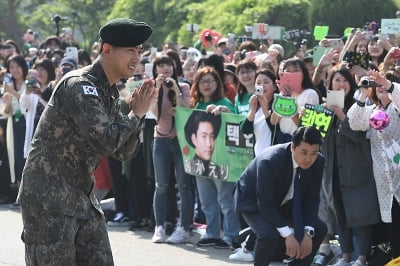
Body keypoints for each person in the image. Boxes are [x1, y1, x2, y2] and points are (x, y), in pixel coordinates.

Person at [17, 18, 156, 265]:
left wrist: (137, 114)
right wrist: (135, 115)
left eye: (139, 51)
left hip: (81, 195)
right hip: (49, 198)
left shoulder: (108, 91)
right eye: (130, 50)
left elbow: (123, 152)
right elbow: (107, 142)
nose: (136, 58)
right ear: (107, 50)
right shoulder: (81, 86)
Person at [234, 126, 327, 266]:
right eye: (304, 152)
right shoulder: (270, 160)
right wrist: (288, 235)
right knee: (269, 235)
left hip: (286, 201)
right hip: (253, 201)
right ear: (292, 147)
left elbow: (312, 199)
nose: (309, 158)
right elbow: (265, 203)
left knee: (319, 229)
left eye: (314, 153)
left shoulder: (318, 161)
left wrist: (308, 232)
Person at [348, 69, 400, 259]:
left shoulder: (396, 107)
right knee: (394, 230)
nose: (380, 88)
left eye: (384, 85)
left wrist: (387, 83)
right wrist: (362, 92)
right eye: (376, 86)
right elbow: (354, 122)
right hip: (384, 179)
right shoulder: (372, 111)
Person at [189, 66, 240, 249]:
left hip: (222, 159)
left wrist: (222, 110)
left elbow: (234, 120)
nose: (207, 85)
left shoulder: (225, 101)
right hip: (200, 159)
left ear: (218, 83)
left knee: (225, 200)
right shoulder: (196, 105)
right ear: (197, 85)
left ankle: (231, 235)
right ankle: (212, 233)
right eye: (203, 81)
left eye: (211, 80)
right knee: (207, 200)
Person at [184, 110, 225, 179]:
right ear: (194, 139)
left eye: (211, 136)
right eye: (203, 136)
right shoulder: (189, 167)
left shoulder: (219, 171)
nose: (209, 144)